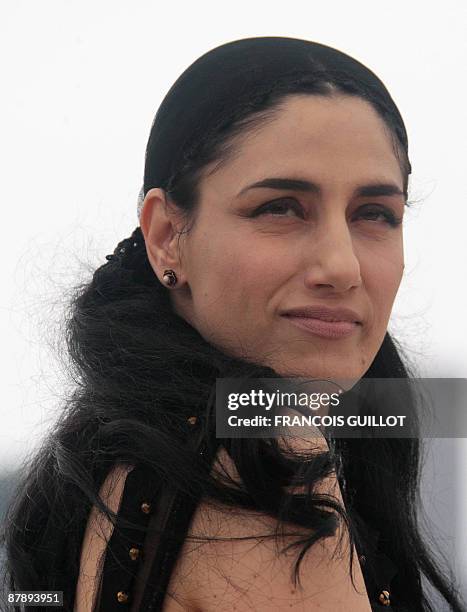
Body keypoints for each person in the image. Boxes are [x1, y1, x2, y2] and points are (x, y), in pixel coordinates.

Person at [1, 36, 464, 612]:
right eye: (280, 208)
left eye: (375, 214)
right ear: (167, 236)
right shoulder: (266, 468)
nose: (341, 266)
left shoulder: (101, 466)